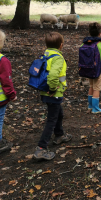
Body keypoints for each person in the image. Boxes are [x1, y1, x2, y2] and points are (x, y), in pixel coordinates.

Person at [34, 32, 72, 160]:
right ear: (61, 45)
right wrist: (52, 88)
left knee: (58, 114)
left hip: (45, 91)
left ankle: (59, 134)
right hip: (53, 92)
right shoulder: (58, 58)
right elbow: (53, 75)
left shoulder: (46, 54)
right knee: (52, 119)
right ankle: (41, 148)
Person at [81, 22, 101, 114]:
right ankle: (95, 108)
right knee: (97, 88)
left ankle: (90, 106)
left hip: (87, 69)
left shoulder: (84, 44)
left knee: (91, 86)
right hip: (98, 71)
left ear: (89, 33)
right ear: (100, 33)